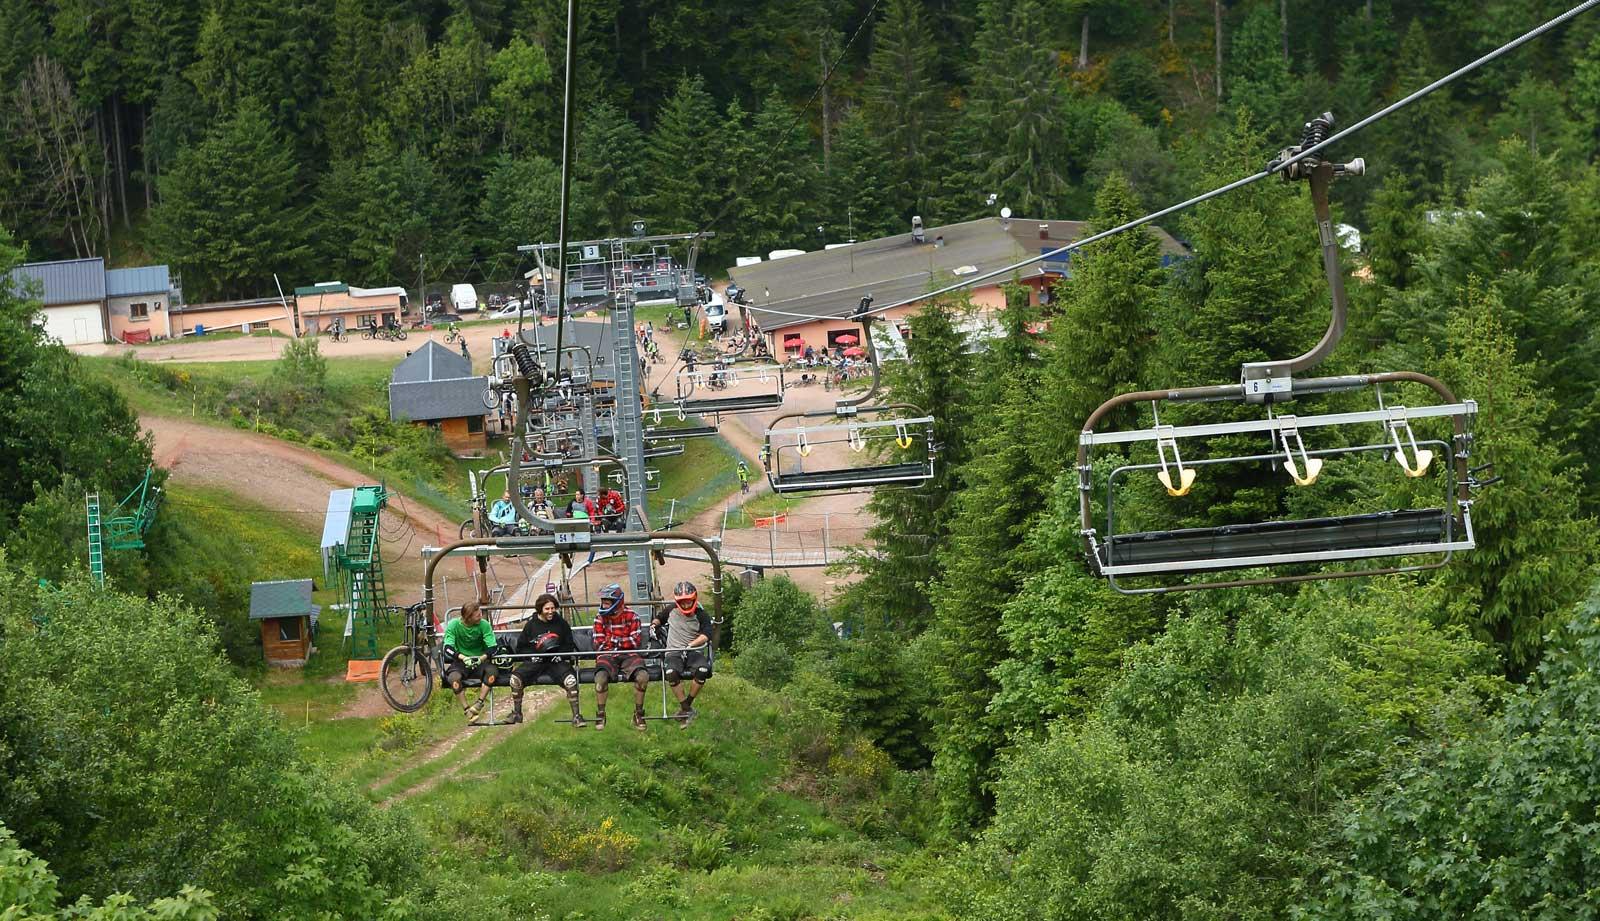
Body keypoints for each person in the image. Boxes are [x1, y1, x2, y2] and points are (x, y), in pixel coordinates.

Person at [508, 593, 584, 726]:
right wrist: (532, 656)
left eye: (553, 608)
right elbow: (521, 647)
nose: (550, 612)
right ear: (540, 609)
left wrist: (560, 655)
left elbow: (569, 644)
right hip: (536, 662)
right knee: (515, 680)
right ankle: (517, 714)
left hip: (556, 662)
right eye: (547, 609)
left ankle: (577, 717)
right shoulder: (531, 625)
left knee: (571, 681)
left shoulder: (561, 623)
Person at [654, 581, 714, 729]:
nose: (686, 605)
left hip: (693, 651)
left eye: (688, 602)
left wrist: (692, 644)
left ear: (694, 599)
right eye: (683, 602)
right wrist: (654, 625)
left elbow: (707, 634)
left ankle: (686, 705)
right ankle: (687, 709)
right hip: (674, 652)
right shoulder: (671, 610)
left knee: (703, 670)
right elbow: (659, 618)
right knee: (670, 672)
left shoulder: (701, 614)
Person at [591, 584, 649, 731]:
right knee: (600, 679)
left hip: (629, 655)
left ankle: (639, 714)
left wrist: (613, 641)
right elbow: (599, 644)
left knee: (642, 677)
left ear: (617, 603)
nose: (604, 606)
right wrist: (622, 642)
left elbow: (635, 642)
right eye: (603, 602)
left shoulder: (632, 616)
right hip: (607, 656)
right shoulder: (599, 618)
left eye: (607, 603)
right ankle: (601, 714)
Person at [441, 600, 500, 721]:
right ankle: (467, 709)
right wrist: (463, 657)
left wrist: (481, 658)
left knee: (492, 673)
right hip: (461, 661)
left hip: (481, 660)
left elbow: (493, 647)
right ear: (468, 617)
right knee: (453, 679)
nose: (480, 617)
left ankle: (479, 703)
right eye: (477, 615)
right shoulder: (454, 625)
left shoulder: (484, 625)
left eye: (480, 614)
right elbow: (448, 648)